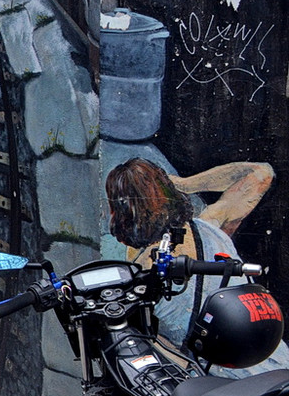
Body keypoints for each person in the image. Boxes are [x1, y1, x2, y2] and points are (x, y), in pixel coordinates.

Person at [106, 157, 286, 372]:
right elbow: (261, 172)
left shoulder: (142, 276)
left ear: (118, 210)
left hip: (223, 381)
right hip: (276, 363)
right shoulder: (211, 225)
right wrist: (184, 184)